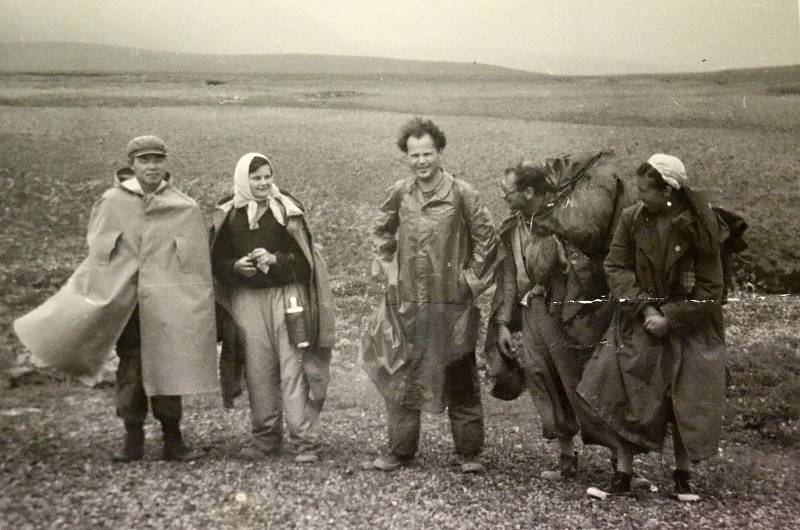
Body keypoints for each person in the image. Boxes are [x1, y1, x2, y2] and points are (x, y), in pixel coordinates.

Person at [14, 135, 219, 462]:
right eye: (144, 159)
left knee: (169, 368)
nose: (152, 165)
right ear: (132, 164)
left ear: (166, 163)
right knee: (132, 370)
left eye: (157, 159)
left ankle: (173, 439)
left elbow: (195, 267)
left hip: (169, 307)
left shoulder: (185, 207)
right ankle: (132, 439)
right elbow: (99, 256)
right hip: (127, 308)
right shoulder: (111, 202)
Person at [577, 154, 727, 501]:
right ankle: (623, 473)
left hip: (691, 323)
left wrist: (670, 318)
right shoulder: (632, 219)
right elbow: (615, 265)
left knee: (686, 394)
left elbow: (710, 290)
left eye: (647, 191)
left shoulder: (700, 227)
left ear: (669, 192)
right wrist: (644, 307)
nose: (640, 197)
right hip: (638, 317)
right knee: (625, 388)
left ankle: (683, 474)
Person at [360, 117, 500, 473]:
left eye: (427, 153)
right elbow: (381, 232)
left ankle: (469, 453)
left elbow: (488, 241)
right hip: (407, 304)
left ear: (440, 152)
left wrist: (468, 284)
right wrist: (389, 272)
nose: (421, 161)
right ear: (406, 156)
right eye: (414, 154)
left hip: (449, 305)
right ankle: (400, 450)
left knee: (458, 372)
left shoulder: (462, 194)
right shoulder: (400, 192)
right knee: (402, 374)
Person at [488, 159, 620, 481]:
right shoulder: (513, 228)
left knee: (585, 382)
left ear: (529, 191)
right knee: (542, 378)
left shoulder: (567, 221)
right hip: (534, 312)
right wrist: (504, 321)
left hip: (570, 315)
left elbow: (589, 268)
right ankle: (566, 457)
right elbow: (508, 276)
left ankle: (621, 464)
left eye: (508, 191)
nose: (503, 195)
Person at [210, 153, 335, 464]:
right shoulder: (229, 214)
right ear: (243, 180)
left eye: (267, 176)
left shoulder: (286, 209)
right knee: (258, 369)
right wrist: (235, 266)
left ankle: (305, 441)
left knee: (294, 366)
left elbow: (305, 262)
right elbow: (215, 262)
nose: (263, 182)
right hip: (248, 301)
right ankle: (265, 437)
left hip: (287, 298)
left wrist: (275, 259)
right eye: (256, 178)